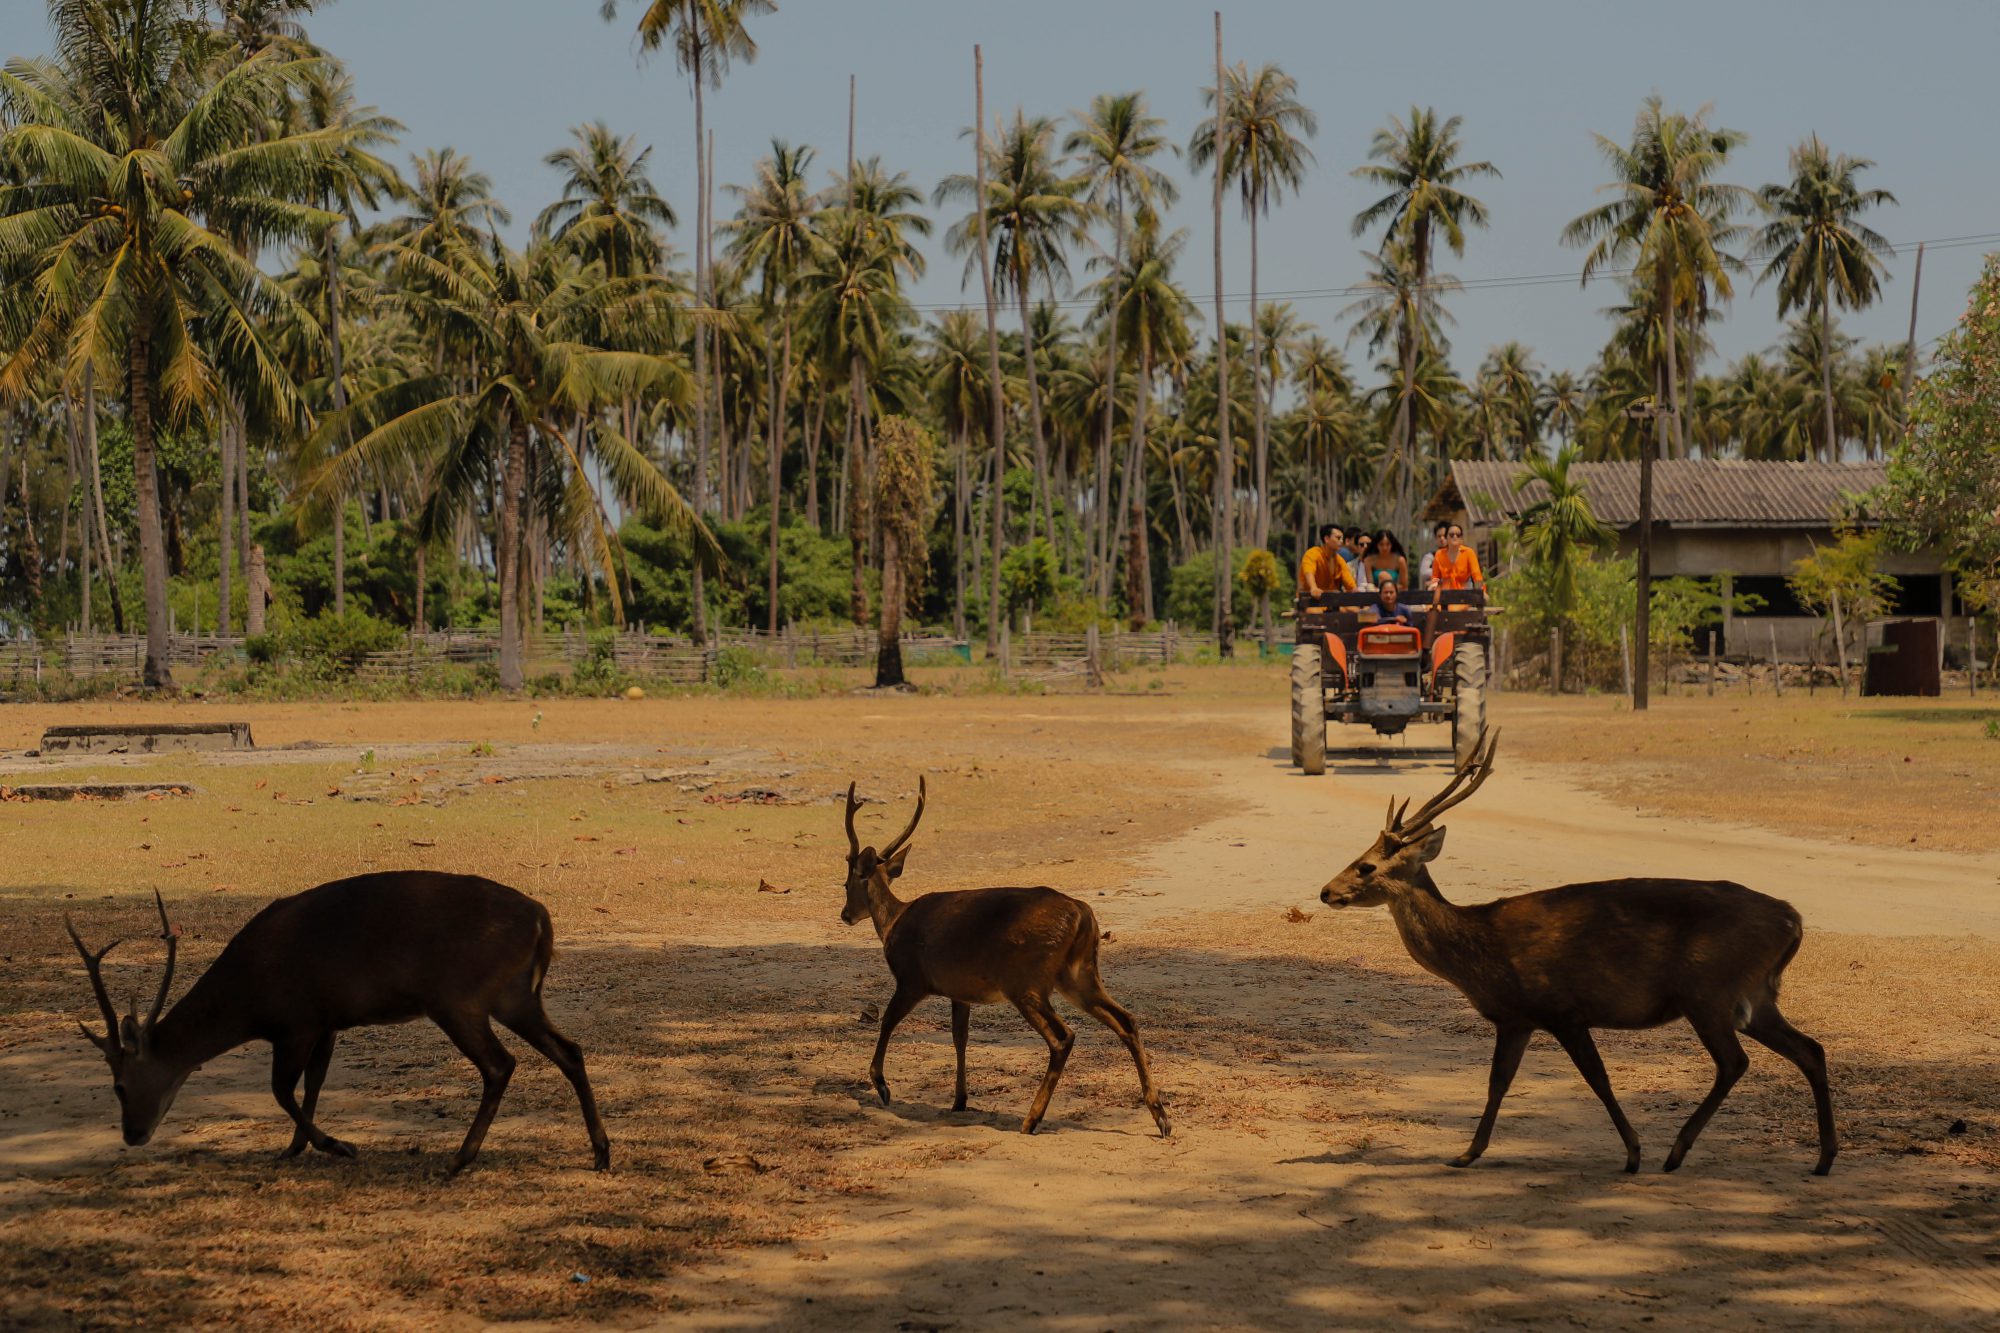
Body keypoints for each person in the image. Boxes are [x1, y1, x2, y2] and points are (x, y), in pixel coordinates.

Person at [1297, 523, 1356, 598]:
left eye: (1342, 538)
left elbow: (1350, 583)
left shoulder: (1339, 560)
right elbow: (1309, 572)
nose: (1341, 541)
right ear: (1327, 539)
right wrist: (1313, 588)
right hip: (1310, 600)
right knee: (1315, 610)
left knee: (1355, 609)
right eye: (1338, 538)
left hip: (1332, 601)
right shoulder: (1312, 554)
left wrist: (1356, 590)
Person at [1430, 522, 1485, 592]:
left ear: (1461, 539)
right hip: (1444, 595)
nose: (1455, 537)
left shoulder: (1469, 553)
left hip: (1464, 594)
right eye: (1451, 535)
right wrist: (1433, 586)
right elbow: (1435, 577)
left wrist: (1481, 593)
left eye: (1458, 535)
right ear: (1446, 537)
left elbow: (1477, 577)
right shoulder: (1439, 554)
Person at [1366, 529, 1409, 593]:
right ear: (1376, 545)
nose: (1384, 548)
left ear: (1392, 544)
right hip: (1375, 594)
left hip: (1395, 594)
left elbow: (1404, 586)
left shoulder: (1400, 560)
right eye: (1381, 544)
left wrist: (1390, 589)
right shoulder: (1369, 560)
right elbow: (1370, 585)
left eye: (1387, 544)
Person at [1417, 520, 1451, 589]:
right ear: (1436, 538)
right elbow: (1424, 572)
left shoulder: (1459, 555)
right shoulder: (1430, 557)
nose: (1442, 539)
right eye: (1439, 536)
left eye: (1444, 536)